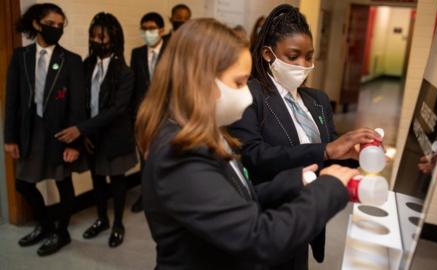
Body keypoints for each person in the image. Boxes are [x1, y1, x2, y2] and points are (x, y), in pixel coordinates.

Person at [136, 18, 359, 270]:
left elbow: (234, 197)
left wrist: (293, 180)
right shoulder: (178, 152)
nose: (246, 93)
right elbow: (259, 239)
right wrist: (329, 188)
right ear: (201, 80)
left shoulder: (209, 133)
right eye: (239, 83)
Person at [228, 5, 382, 270]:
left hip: (307, 215)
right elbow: (254, 154)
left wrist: (356, 155)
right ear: (268, 54)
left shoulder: (318, 100)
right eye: (293, 56)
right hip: (269, 217)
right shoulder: (250, 96)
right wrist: (326, 150)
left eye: (309, 57)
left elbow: (331, 154)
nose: (303, 65)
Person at [4, 3, 86, 256]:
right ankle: (46, 225)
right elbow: (12, 100)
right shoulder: (20, 57)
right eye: (51, 24)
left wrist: (74, 142)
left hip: (60, 133)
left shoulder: (71, 60)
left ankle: (61, 233)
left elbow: (78, 106)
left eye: (60, 25)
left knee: (63, 183)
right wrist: (10, 137)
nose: (56, 29)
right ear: (37, 24)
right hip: (30, 131)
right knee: (23, 184)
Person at [56, 12, 137, 248]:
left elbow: (116, 109)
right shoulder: (86, 64)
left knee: (117, 181)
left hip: (115, 137)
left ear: (113, 39)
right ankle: (102, 219)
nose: (96, 41)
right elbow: (81, 101)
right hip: (92, 137)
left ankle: (118, 224)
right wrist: (86, 134)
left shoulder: (125, 72)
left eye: (102, 37)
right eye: (93, 36)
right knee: (97, 180)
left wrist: (80, 129)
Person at [129, 12, 166, 213]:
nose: (147, 33)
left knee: (165, 155)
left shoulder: (171, 52)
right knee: (145, 156)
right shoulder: (136, 53)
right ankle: (145, 195)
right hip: (144, 115)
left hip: (166, 115)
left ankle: (164, 195)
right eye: (144, 29)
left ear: (161, 30)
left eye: (151, 29)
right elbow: (134, 87)